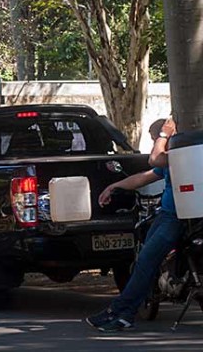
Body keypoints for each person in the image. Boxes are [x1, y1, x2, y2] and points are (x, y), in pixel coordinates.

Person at [86, 117, 184, 332]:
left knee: (147, 262)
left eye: (153, 138)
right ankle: (122, 311)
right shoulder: (171, 160)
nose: (153, 143)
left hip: (176, 216)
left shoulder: (178, 154)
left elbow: (154, 159)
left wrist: (164, 135)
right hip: (167, 213)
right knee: (145, 263)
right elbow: (145, 177)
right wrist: (115, 186)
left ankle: (121, 312)